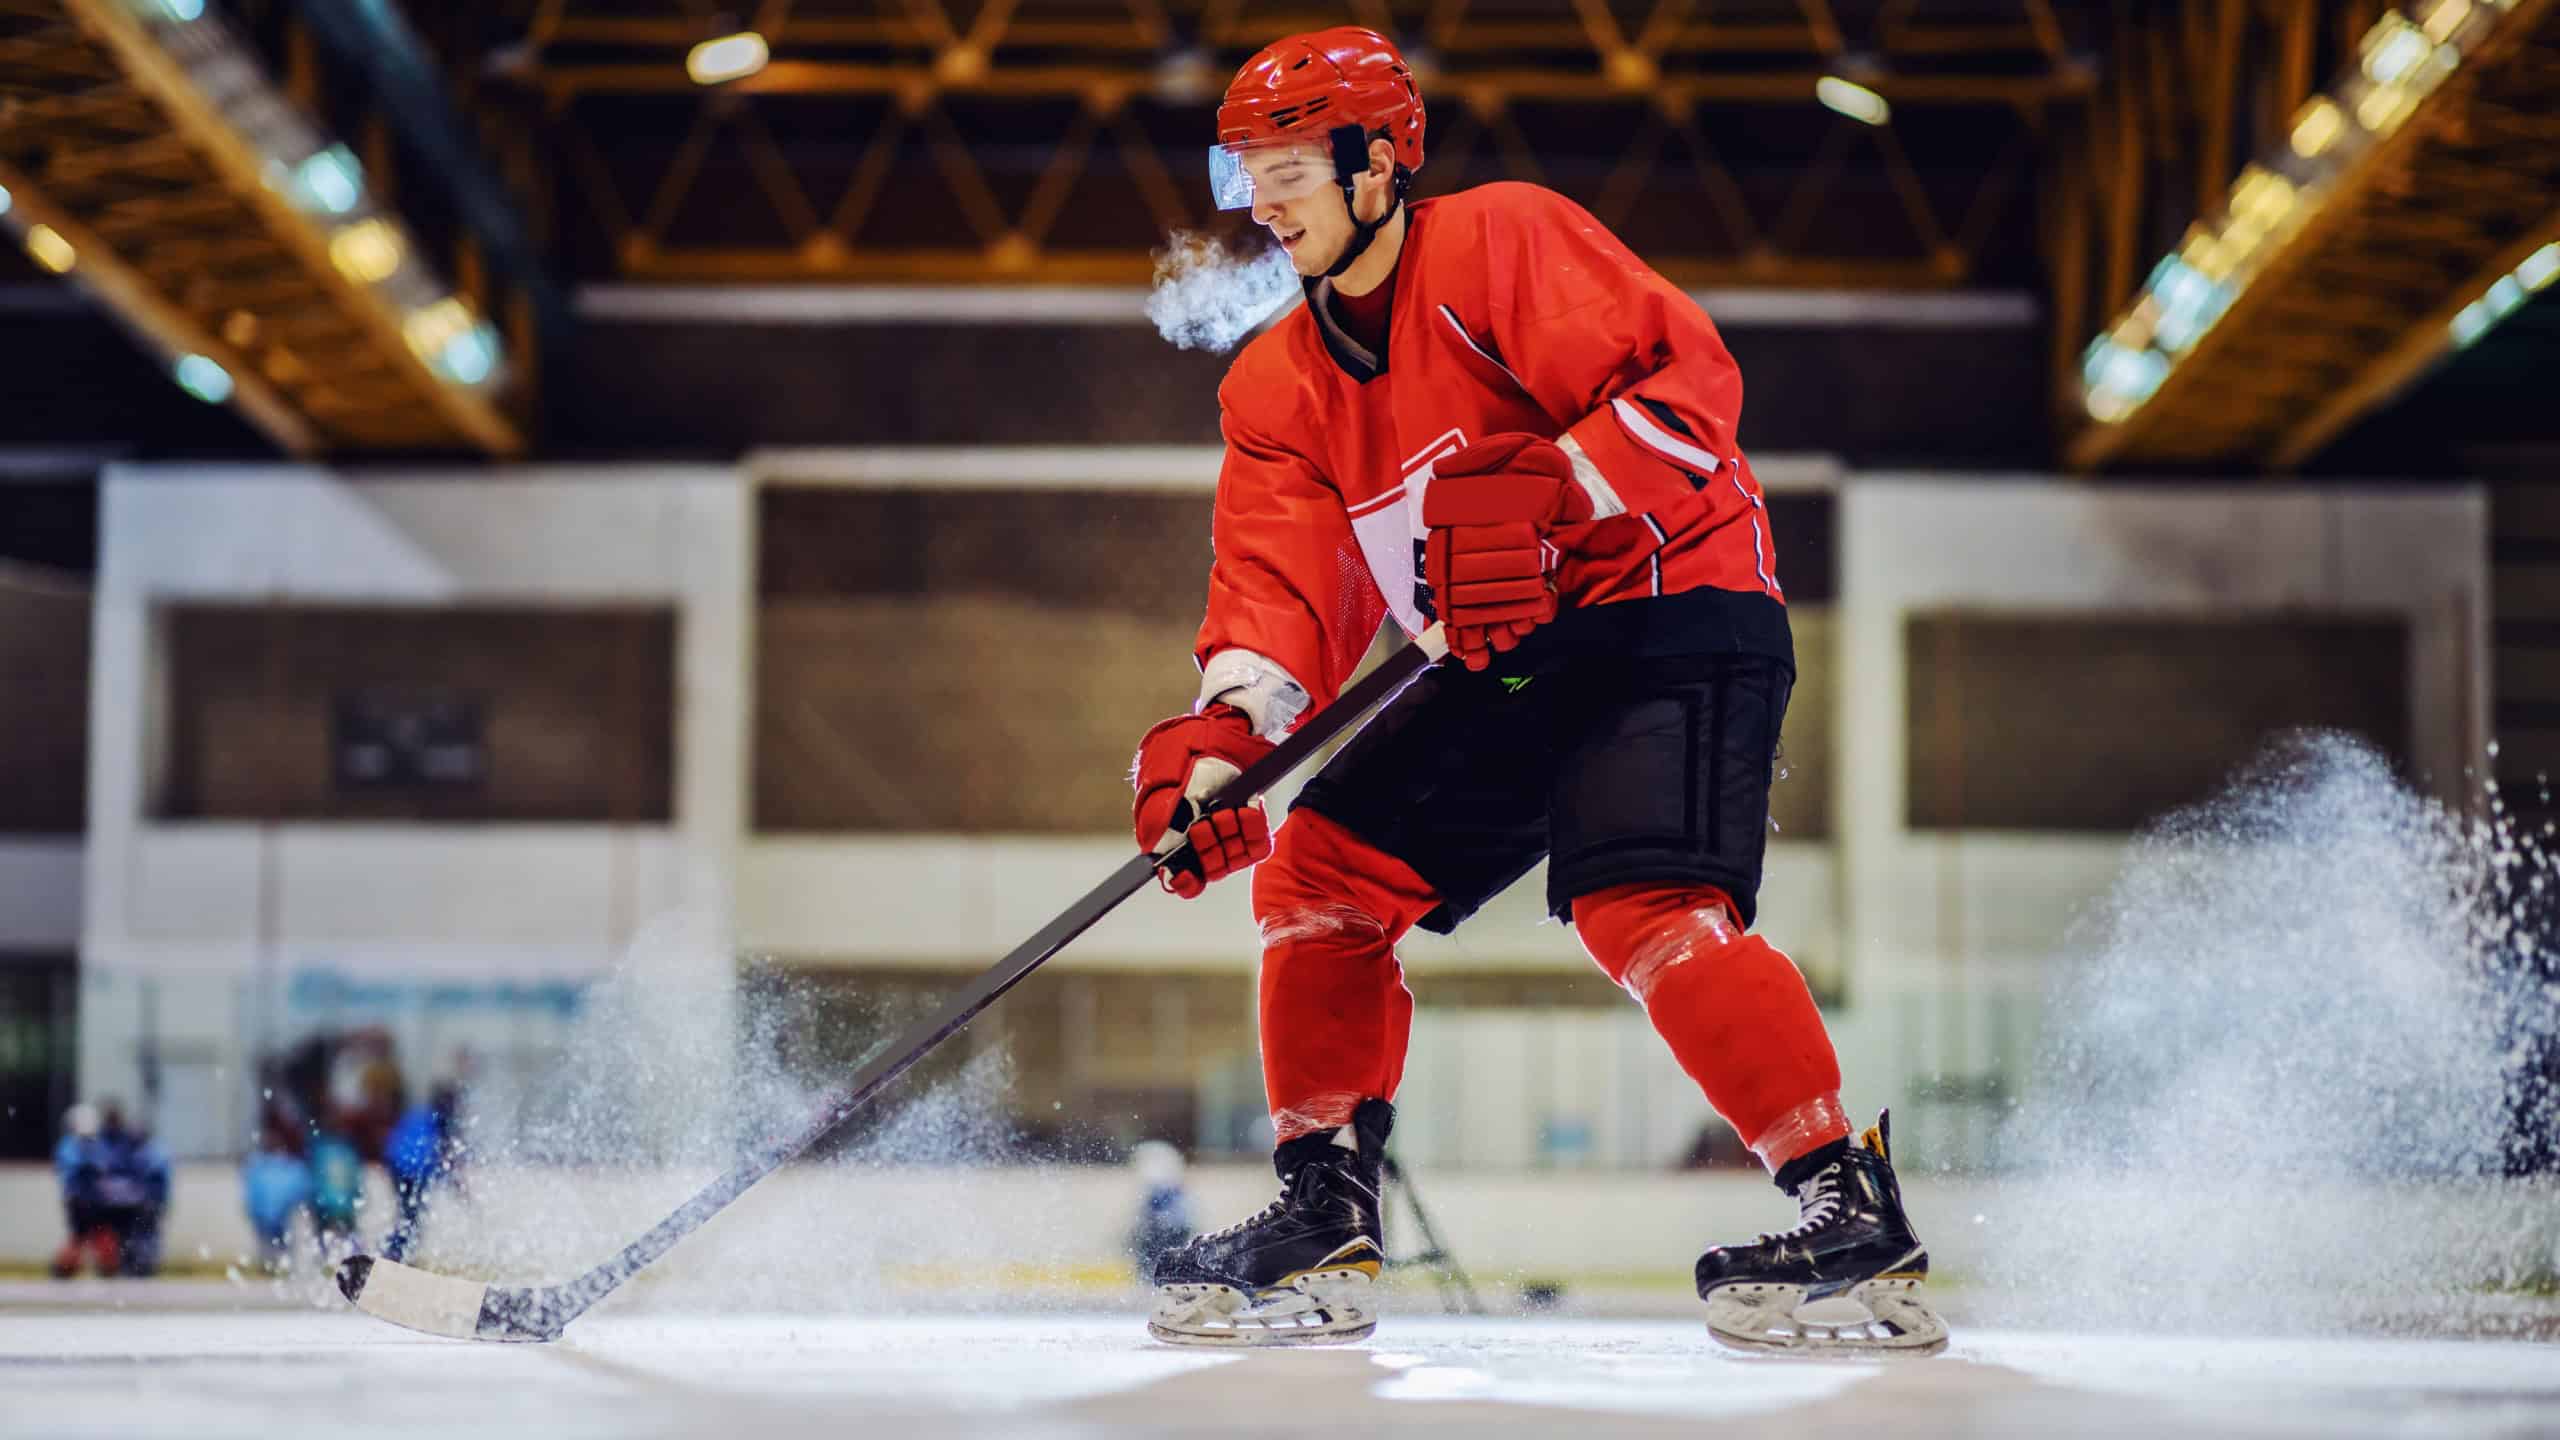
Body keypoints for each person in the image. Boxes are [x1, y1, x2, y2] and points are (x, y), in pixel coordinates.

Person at [1128, 27, 1942, 1356]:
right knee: (1319, 874)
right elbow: (1283, 595)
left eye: (1287, 172)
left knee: (1642, 905)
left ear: (1378, 163)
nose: (1260, 206)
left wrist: (1559, 490)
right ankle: (1324, 1210)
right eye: (1246, 176)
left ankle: (1846, 1205)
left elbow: (1691, 387)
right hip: (1505, 656)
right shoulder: (1275, 387)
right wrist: (1226, 744)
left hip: (1669, 604)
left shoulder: (1504, 242)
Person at [380, 1083, 464, 1263]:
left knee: (407, 1216)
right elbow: (444, 1158)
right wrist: (458, 1189)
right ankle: (394, 1255)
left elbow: (393, 1141)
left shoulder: (416, 1115)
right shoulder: (442, 1121)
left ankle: (393, 1252)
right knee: (412, 1219)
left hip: (398, 1167)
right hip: (414, 1171)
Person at [49, 1103, 112, 1278]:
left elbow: (105, 1165)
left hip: (95, 1199)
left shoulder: (95, 1144)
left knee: (99, 1234)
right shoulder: (69, 1145)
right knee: (80, 1237)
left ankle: (106, 1268)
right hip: (78, 1199)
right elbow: (71, 1167)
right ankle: (62, 1268)